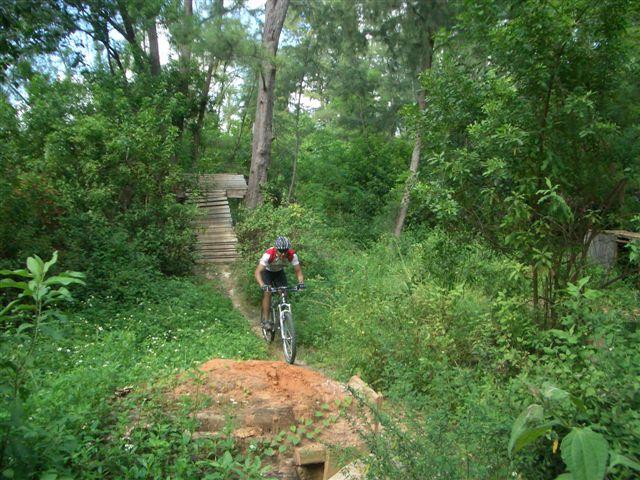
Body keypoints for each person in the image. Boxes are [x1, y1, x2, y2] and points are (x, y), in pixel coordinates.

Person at [255, 236, 305, 329]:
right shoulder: (268, 255)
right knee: (267, 292)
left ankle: (283, 316)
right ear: (276, 249)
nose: (283, 254)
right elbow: (257, 272)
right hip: (267, 272)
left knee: (283, 292)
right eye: (280, 251)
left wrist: (301, 283)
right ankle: (266, 320)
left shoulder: (292, 255)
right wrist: (262, 285)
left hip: (279, 272)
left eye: (285, 251)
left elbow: (298, 271)